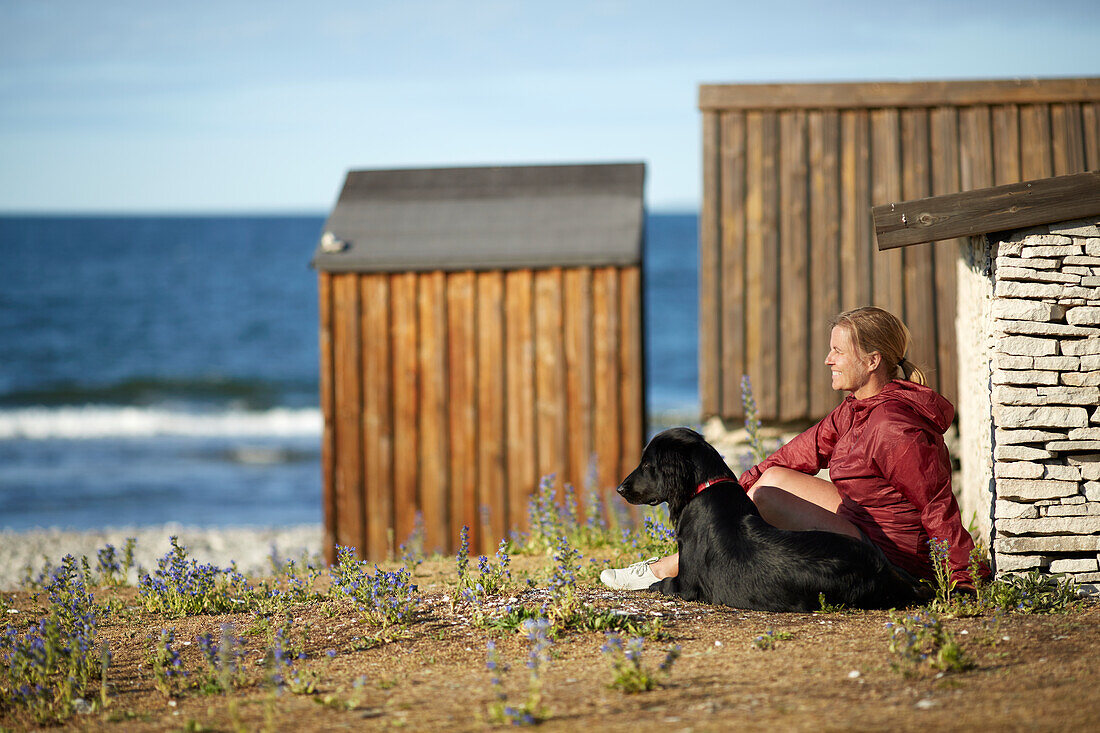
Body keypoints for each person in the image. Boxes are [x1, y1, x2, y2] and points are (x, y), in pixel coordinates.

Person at [601, 306, 987, 592]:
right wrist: (734, 490)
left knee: (767, 497)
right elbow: (793, 455)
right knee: (771, 480)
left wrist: (962, 579)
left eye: (838, 351)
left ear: (872, 361)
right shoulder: (856, 408)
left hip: (893, 556)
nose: (828, 360)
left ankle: (667, 569)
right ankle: (682, 563)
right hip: (861, 520)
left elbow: (936, 504)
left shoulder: (893, 426)